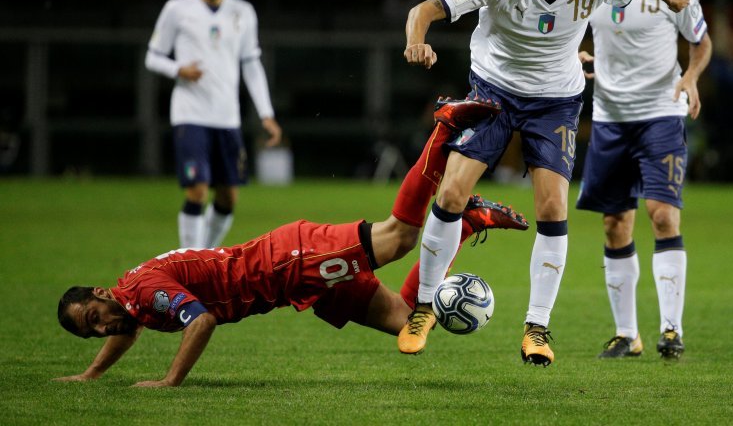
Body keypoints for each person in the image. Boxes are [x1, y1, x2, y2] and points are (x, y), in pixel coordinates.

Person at [54, 97, 529, 388]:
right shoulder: (130, 302)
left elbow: (201, 321)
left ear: (101, 292)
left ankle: (444, 126)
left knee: (401, 235)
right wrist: (93, 373)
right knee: (411, 325)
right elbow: (127, 328)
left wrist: (169, 381)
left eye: (94, 319)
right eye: (89, 332)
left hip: (286, 262)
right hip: (289, 286)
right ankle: (467, 222)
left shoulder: (138, 292)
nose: (100, 330)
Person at [399, 0, 691, 366]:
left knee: (552, 207)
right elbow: (426, 9)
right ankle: (422, 309)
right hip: (493, 89)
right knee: (453, 192)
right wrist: (417, 39)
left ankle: (536, 328)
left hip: (555, 99)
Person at [576, 0, 713, 360]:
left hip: (661, 111)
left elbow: (700, 40)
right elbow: (558, 21)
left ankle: (671, 330)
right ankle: (626, 335)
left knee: (662, 214)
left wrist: (690, 77)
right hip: (611, 117)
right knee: (616, 224)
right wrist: (570, 52)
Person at [145, 0, 283, 250]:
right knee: (197, 190)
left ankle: (203, 259)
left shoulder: (243, 12)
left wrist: (266, 114)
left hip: (227, 117)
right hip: (190, 114)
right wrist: (178, 68)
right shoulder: (177, 9)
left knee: (228, 196)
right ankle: (188, 260)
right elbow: (152, 57)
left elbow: (251, 63)